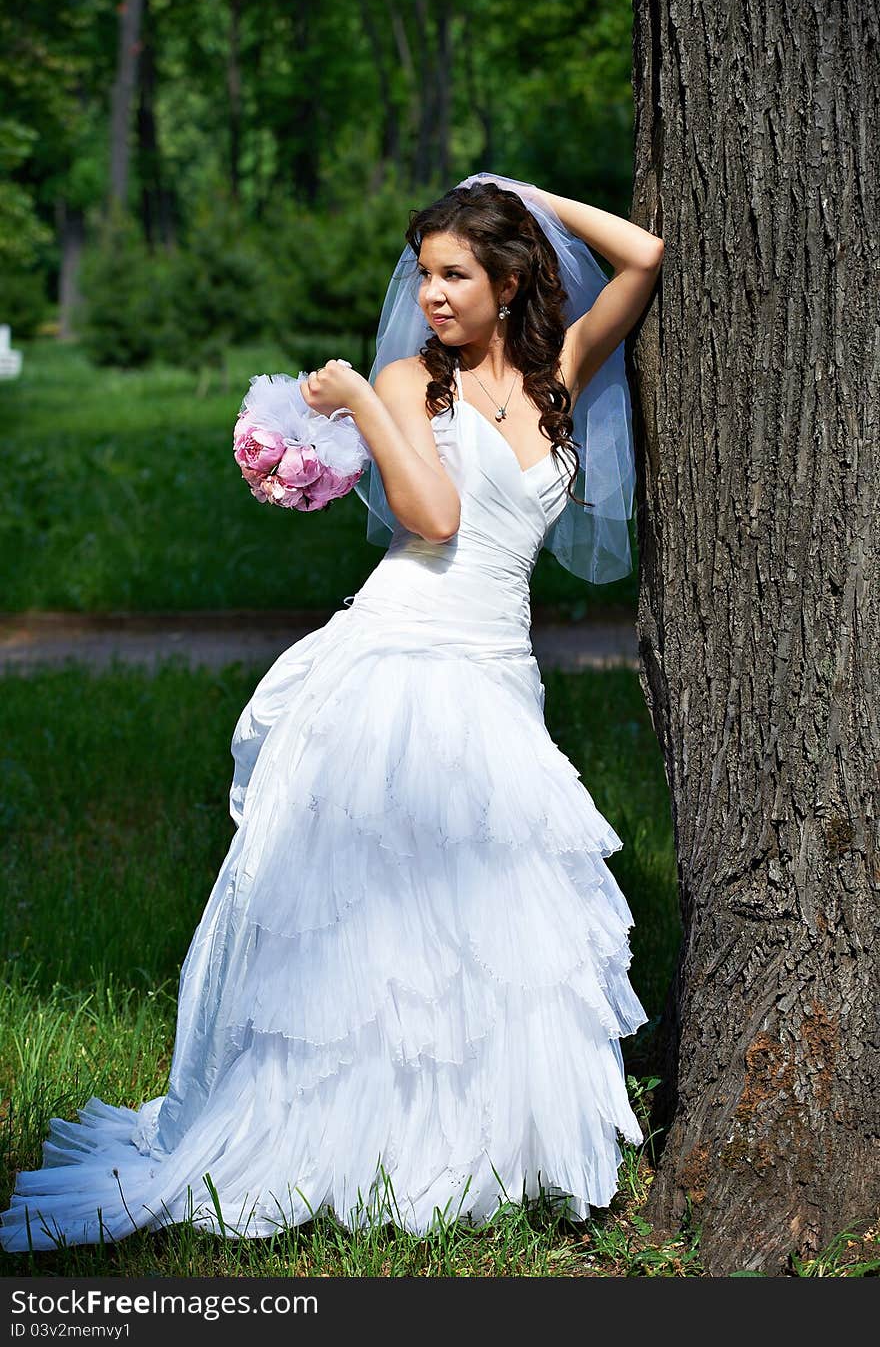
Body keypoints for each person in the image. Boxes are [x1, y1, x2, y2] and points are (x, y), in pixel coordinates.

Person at [0, 175, 663, 1253]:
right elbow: (435, 515)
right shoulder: (408, 381)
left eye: (457, 274)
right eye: (427, 273)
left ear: (510, 278)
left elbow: (642, 254)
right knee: (378, 926)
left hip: (499, 668)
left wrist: (518, 192)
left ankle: (472, 1144)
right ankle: (355, 1136)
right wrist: (360, 401)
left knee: (488, 920)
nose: (432, 294)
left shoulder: (559, 375)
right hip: (402, 658)